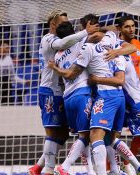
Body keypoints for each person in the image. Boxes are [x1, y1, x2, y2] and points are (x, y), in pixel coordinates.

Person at [48, 27, 140, 175]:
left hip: (95, 96)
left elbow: (70, 74)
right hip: (115, 97)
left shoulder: (77, 50)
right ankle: (130, 168)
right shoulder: (113, 46)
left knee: (92, 135)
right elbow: (128, 44)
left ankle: (70, 168)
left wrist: (54, 68)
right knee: (107, 138)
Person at [28, 9, 99, 175]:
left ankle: (39, 166)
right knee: (53, 131)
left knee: (63, 133)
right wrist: (85, 32)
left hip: (62, 92)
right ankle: (48, 169)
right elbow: (62, 44)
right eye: (62, 23)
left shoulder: (64, 46)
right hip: (49, 91)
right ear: (53, 24)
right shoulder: (49, 39)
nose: (66, 26)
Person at [90, 38, 140, 175]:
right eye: (127, 26)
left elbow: (120, 80)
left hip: (135, 102)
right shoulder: (115, 49)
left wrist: (96, 79)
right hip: (120, 101)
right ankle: (122, 169)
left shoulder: (118, 56)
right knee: (109, 136)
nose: (131, 29)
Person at [115, 15, 140, 174]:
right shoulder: (113, 44)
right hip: (118, 93)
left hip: (134, 95)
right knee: (113, 134)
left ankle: (126, 162)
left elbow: (138, 69)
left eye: (133, 26)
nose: (131, 29)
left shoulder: (139, 45)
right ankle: (111, 168)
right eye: (127, 26)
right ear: (120, 29)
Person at [0, 40, 28, 105]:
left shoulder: (9, 59)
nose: (8, 49)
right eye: (6, 48)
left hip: (6, 87)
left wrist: (24, 81)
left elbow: (12, 77)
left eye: (8, 48)